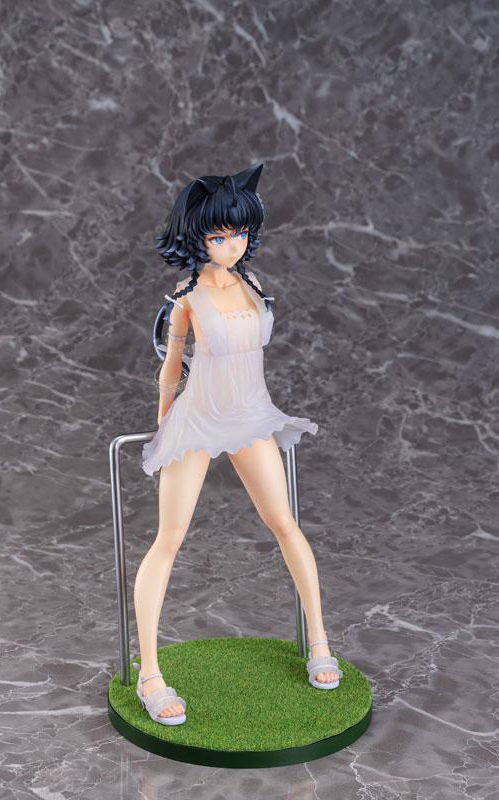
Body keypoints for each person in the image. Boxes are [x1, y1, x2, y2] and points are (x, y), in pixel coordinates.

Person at [134, 163, 343, 726]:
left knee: (285, 523)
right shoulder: (187, 298)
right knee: (169, 539)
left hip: (250, 416)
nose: (233, 245)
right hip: (200, 418)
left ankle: (320, 641)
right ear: (197, 237)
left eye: (241, 233)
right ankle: (150, 672)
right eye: (220, 236)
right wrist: (163, 426)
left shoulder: (252, 285)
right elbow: (170, 369)